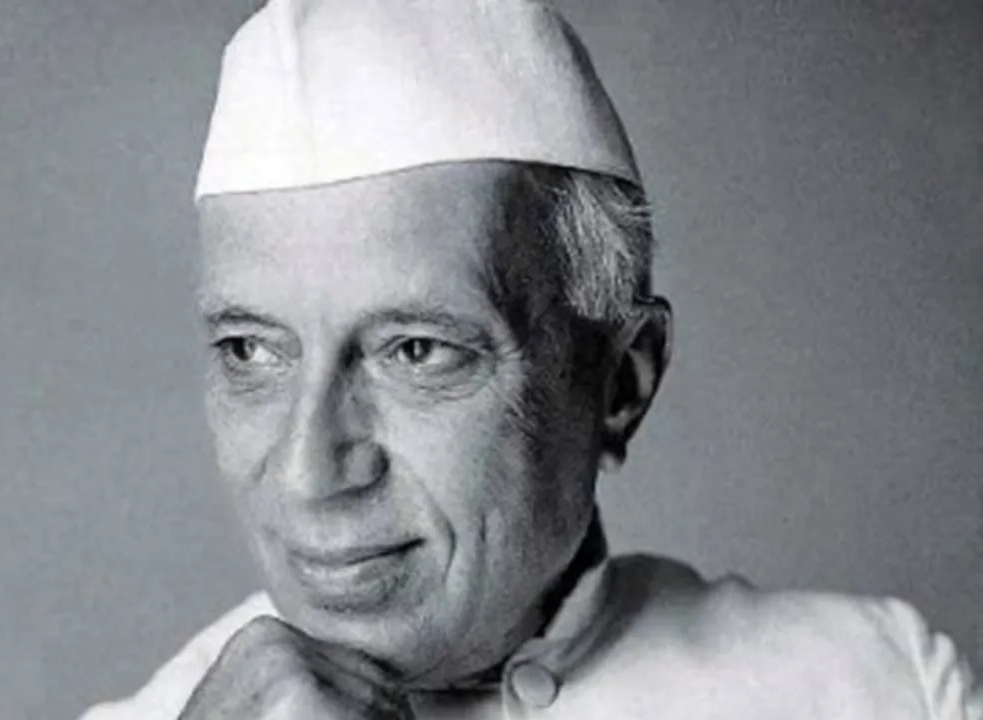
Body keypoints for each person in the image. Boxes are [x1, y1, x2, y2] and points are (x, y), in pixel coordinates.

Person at [81, 1, 981, 718]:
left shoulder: (883, 688)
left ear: (620, 382)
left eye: (416, 351)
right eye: (249, 351)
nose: (310, 473)